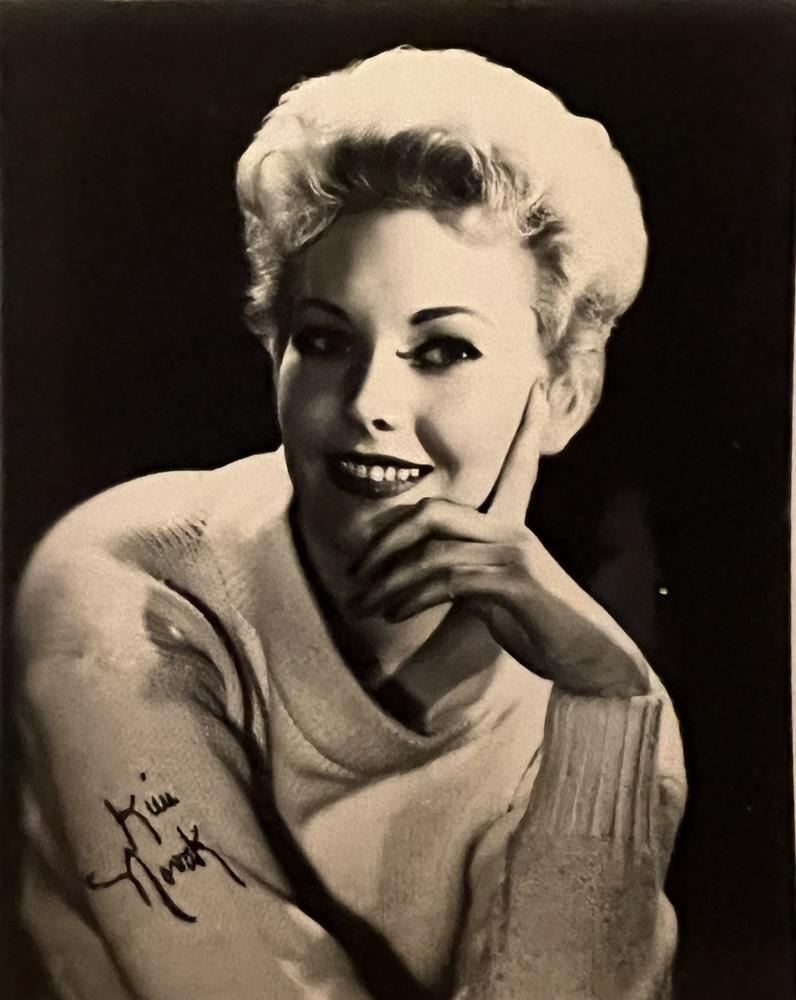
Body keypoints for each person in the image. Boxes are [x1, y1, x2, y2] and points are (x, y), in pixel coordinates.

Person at [14, 46, 686, 1000]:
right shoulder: (127, 585)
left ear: (566, 394)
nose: (370, 402)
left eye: (443, 350)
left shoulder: (598, 708)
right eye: (326, 340)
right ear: (275, 354)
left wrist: (609, 703)